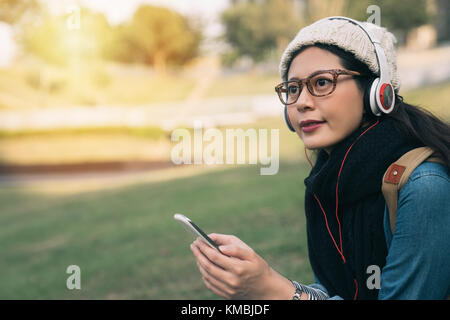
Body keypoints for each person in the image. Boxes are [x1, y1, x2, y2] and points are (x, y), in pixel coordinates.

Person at [190, 16, 450, 300]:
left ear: (376, 92)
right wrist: (261, 282)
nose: (302, 102)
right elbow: (338, 292)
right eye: (292, 88)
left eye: (322, 82)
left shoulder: (424, 187)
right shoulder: (329, 180)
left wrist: (275, 290)